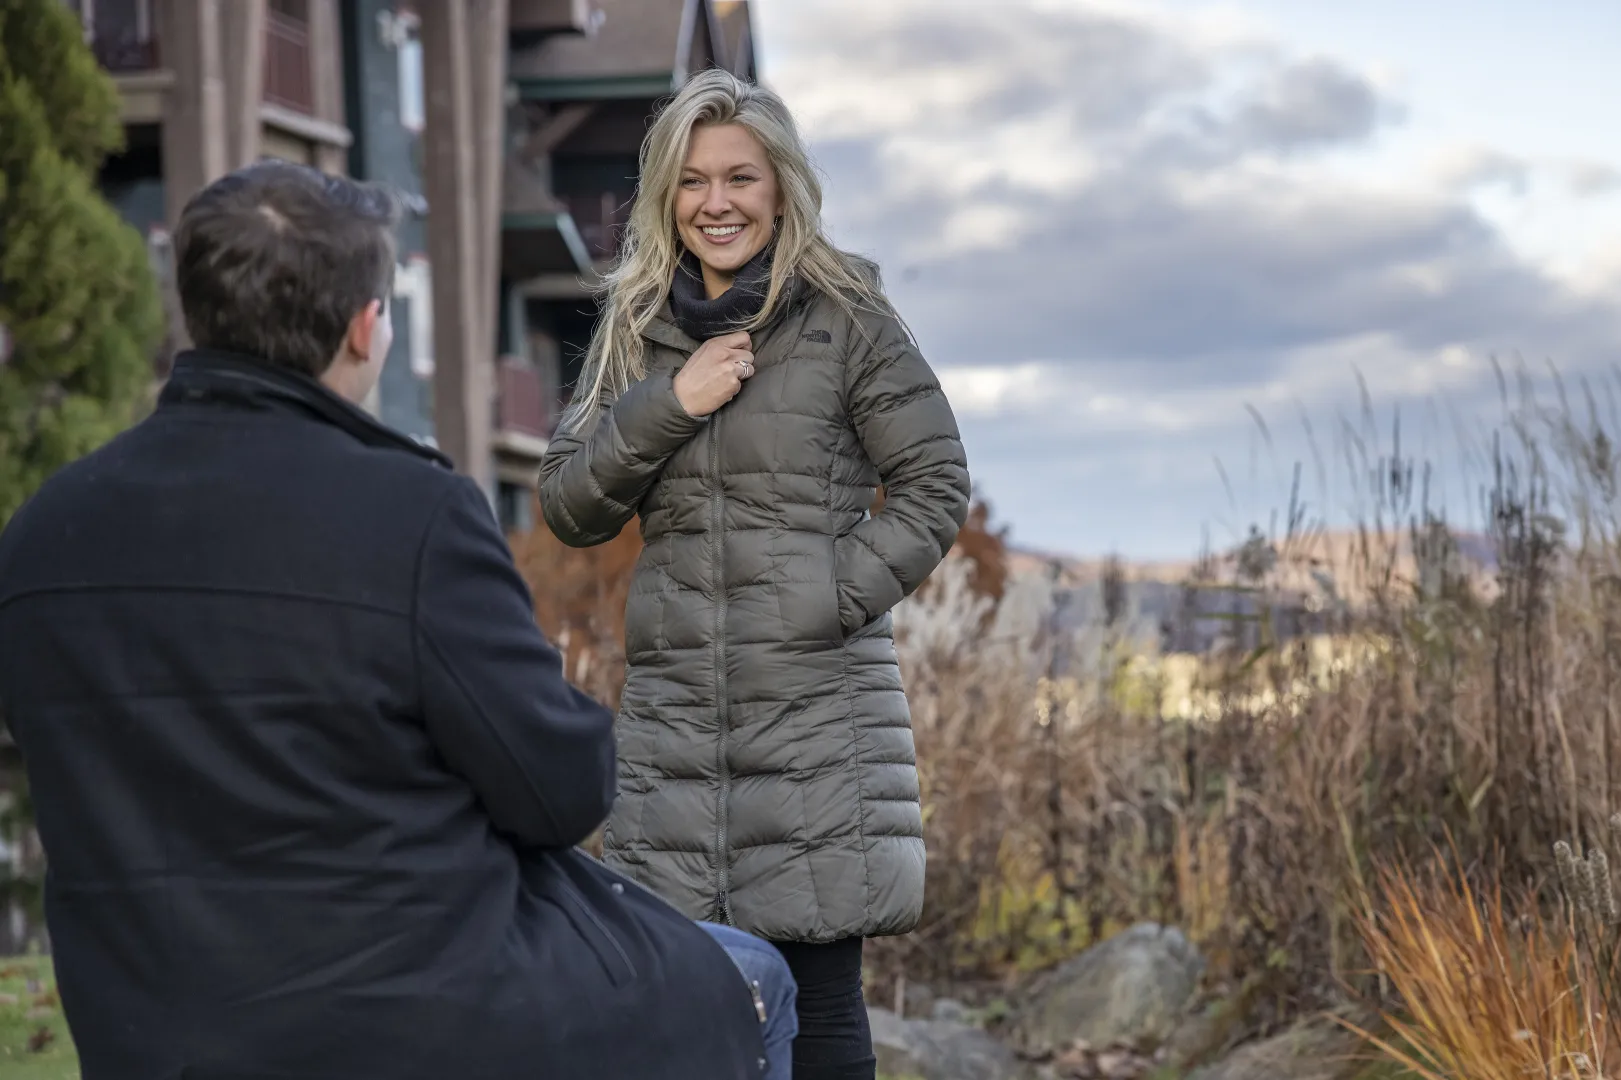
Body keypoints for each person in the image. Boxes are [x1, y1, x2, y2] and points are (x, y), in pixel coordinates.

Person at [0, 160, 796, 1080]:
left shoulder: (40, 541)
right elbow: (561, 792)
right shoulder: (412, 517)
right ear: (365, 327)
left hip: (155, 1033)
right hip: (415, 1023)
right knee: (751, 979)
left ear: (197, 310)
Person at [539, 69, 971, 1079]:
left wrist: (824, 599)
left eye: (740, 177)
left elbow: (934, 481)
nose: (717, 203)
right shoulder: (635, 326)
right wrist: (668, 403)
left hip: (816, 723)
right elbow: (568, 503)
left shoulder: (846, 314)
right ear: (664, 197)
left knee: (820, 1010)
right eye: (692, 182)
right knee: (682, 1010)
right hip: (677, 731)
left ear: (782, 187)